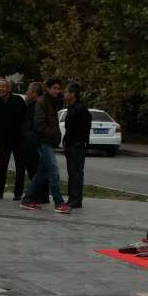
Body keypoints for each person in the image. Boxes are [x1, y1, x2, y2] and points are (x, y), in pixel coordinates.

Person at [21, 79, 69, 213]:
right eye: (54, 88)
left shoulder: (51, 101)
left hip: (49, 141)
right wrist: (53, 134)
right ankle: (59, 202)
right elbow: (39, 124)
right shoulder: (42, 102)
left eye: (58, 88)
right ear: (47, 88)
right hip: (44, 141)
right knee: (54, 172)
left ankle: (27, 199)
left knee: (41, 173)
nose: (57, 91)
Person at [0, 79, 27, 201]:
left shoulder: (18, 100)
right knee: (1, 167)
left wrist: (23, 134)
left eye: (3, 86)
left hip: (18, 139)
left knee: (20, 166)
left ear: (9, 88)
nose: (1, 89)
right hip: (3, 140)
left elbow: (25, 118)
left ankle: (18, 193)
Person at [62, 83, 91, 211]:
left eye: (66, 92)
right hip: (71, 143)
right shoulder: (71, 107)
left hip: (77, 144)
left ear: (72, 94)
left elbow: (80, 128)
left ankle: (76, 199)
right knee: (72, 172)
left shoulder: (80, 109)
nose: (64, 94)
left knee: (76, 173)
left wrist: (80, 141)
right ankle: (72, 198)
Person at [16, 81, 41, 201]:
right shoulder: (28, 105)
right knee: (30, 169)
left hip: (32, 143)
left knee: (34, 169)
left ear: (34, 93)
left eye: (28, 91)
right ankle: (36, 194)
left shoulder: (37, 107)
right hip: (27, 141)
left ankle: (36, 194)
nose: (26, 93)